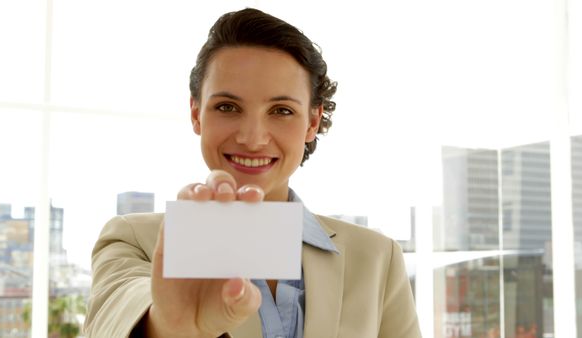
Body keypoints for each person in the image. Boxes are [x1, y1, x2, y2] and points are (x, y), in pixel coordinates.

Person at [84, 8, 421, 338]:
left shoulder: (377, 258)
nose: (252, 138)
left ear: (312, 122)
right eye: (227, 107)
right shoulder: (133, 239)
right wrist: (169, 328)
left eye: (281, 110)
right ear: (196, 113)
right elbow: (115, 318)